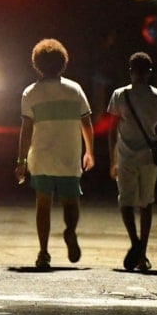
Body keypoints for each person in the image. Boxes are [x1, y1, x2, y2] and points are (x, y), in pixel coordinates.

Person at [15, 38, 96, 270]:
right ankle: (70, 231)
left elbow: (26, 129)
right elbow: (87, 122)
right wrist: (89, 151)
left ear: (36, 64)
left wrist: (21, 161)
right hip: (69, 156)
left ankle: (43, 252)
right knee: (71, 202)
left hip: (41, 158)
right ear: (63, 63)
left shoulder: (30, 93)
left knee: (43, 205)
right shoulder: (74, 89)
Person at [105, 52, 157, 272]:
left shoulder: (119, 95)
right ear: (149, 72)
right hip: (150, 157)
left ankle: (135, 242)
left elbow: (111, 130)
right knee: (146, 203)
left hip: (125, 155)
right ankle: (142, 254)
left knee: (125, 202)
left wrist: (112, 159)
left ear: (130, 70)